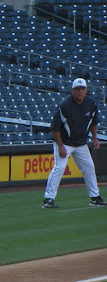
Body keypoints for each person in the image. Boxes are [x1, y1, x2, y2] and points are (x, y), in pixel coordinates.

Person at [42, 78, 105, 209]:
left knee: (89, 168)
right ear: (73, 90)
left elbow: (93, 123)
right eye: (77, 89)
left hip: (81, 143)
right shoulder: (65, 105)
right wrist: (60, 146)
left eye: (82, 89)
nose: (80, 92)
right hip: (65, 142)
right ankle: (48, 198)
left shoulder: (91, 103)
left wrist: (95, 138)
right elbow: (55, 128)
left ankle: (94, 197)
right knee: (59, 168)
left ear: (86, 90)